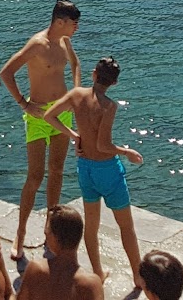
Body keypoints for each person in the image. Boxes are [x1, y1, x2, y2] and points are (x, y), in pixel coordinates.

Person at [42, 56, 143, 291]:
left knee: (91, 225)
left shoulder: (76, 95)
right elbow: (104, 146)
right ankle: (138, 276)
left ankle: (97, 271)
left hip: (85, 169)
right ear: (114, 84)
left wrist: (74, 136)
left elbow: (49, 116)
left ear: (94, 74)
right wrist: (126, 151)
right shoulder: (108, 106)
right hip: (107, 170)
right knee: (126, 226)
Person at [0, 0, 83, 259]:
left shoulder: (65, 42)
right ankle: (20, 234)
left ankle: (52, 230)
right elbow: (6, 72)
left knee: (56, 171)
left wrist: (76, 94)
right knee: (35, 177)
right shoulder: (37, 44)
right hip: (37, 117)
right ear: (60, 22)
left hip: (61, 115)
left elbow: (75, 65)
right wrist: (24, 103)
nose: (76, 28)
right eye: (73, 23)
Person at [14, 206, 104, 300]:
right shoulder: (91, 284)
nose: (45, 232)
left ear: (54, 238)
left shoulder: (36, 269)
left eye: (48, 230)